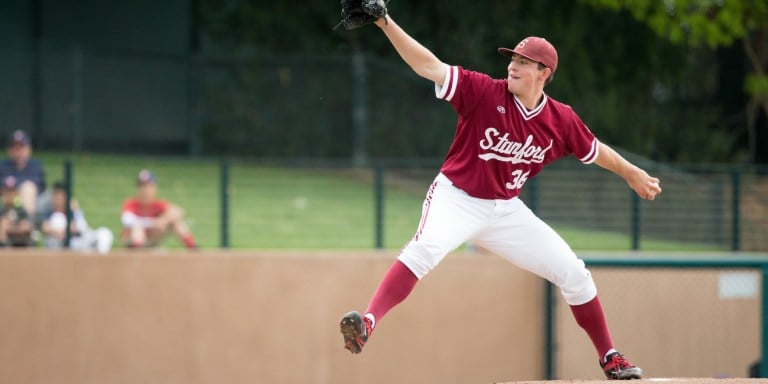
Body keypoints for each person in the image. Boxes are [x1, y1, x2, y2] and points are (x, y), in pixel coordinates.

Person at [337, 8, 662, 381]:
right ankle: (367, 323)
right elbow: (430, 66)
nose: (514, 66)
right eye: (513, 59)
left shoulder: (560, 119)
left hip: (504, 209)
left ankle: (610, 357)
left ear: (544, 74)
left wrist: (632, 173)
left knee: (574, 273)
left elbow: (594, 149)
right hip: (456, 198)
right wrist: (384, 22)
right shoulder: (482, 91)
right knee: (423, 250)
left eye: (525, 62)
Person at [120, 169, 198, 250]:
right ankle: (137, 254)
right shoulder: (130, 203)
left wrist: (163, 220)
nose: (145, 190)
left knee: (175, 222)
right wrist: (153, 223)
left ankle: (194, 249)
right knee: (137, 227)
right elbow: (127, 220)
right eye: (142, 186)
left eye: (148, 186)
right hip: (131, 241)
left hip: (151, 240)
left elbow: (178, 212)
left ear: (155, 188)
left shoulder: (158, 204)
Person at [42, 182, 113, 254]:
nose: (57, 200)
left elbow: (80, 228)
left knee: (105, 233)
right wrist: (60, 231)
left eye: (60, 197)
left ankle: (102, 262)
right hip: (60, 247)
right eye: (55, 196)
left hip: (79, 243)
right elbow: (45, 228)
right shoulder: (50, 211)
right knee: (58, 219)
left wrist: (76, 210)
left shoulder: (73, 210)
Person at [0, 130, 47, 218]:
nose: (17, 150)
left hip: (35, 203)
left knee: (68, 200)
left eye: (21, 147)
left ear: (29, 149)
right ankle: (28, 227)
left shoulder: (36, 166)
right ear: (8, 150)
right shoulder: (2, 167)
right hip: (7, 204)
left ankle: (78, 228)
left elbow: (41, 190)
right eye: (14, 147)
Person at [0, 176, 34, 247]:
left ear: (16, 193)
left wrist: (11, 229)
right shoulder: (2, 210)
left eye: (12, 192)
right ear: (2, 193)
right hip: (6, 241)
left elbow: (26, 227)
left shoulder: (21, 209)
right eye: (7, 192)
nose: (10, 195)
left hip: (22, 240)